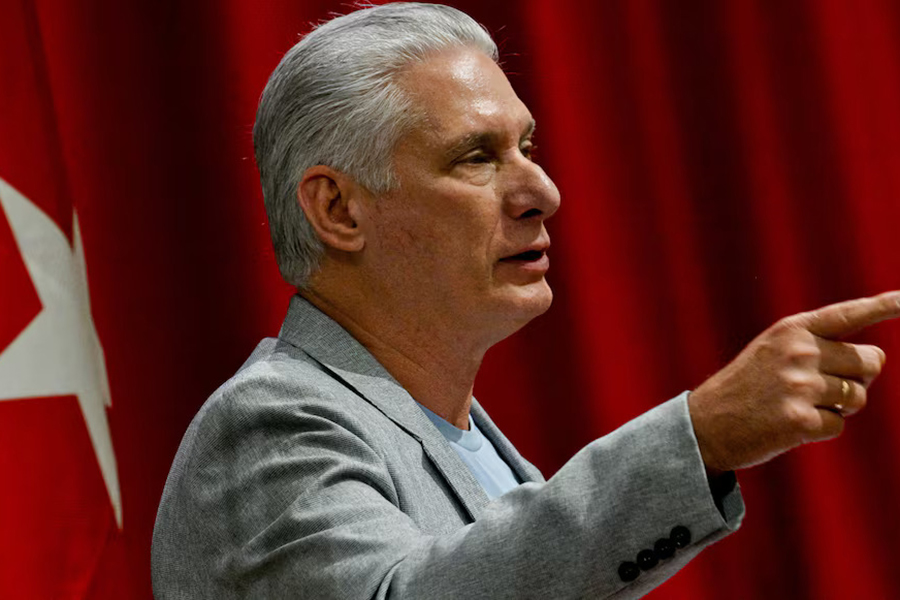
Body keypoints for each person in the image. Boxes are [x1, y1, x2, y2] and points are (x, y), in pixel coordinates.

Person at [150, 3, 900, 598]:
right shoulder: (272, 426)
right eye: (476, 157)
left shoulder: (467, 440)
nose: (543, 192)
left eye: (528, 147)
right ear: (340, 210)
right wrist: (696, 439)